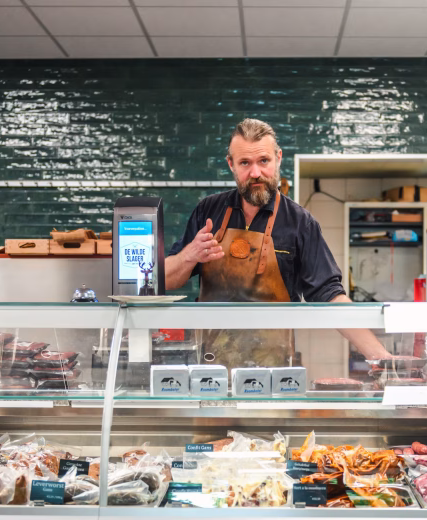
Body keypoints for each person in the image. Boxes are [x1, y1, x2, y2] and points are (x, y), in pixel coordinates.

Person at [165, 118, 391, 368]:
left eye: (264, 161)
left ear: (278, 158)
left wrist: (381, 357)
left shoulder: (300, 222)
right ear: (231, 164)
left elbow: (329, 295)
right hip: (211, 367)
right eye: (245, 163)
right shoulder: (208, 211)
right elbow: (165, 281)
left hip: (273, 369)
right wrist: (189, 255)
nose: (255, 173)